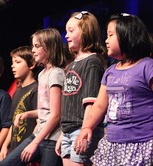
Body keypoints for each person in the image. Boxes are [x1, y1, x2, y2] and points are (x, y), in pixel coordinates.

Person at [74, 13, 153, 165]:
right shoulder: (111, 71)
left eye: (110, 35)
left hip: (142, 142)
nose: (106, 41)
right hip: (112, 142)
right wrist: (87, 127)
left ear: (127, 35)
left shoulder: (148, 66)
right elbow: (100, 105)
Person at [0, 28, 66, 166]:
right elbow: (45, 110)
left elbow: (55, 115)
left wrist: (35, 142)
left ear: (49, 47)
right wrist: (26, 114)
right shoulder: (42, 74)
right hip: (40, 134)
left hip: (51, 139)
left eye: (36, 46)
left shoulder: (56, 74)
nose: (33, 50)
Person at [55, 11, 107, 166]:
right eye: (66, 31)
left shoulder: (92, 62)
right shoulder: (72, 64)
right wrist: (62, 135)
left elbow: (91, 102)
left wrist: (85, 130)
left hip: (82, 128)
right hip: (68, 131)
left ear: (85, 32)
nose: (66, 35)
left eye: (71, 31)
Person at [0, 46, 38, 161]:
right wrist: (5, 145)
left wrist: (32, 144)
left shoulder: (35, 90)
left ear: (31, 65)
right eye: (12, 62)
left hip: (26, 150)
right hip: (14, 148)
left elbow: (39, 122)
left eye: (17, 62)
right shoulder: (17, 91)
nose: (12, 66)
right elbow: (13, 122)